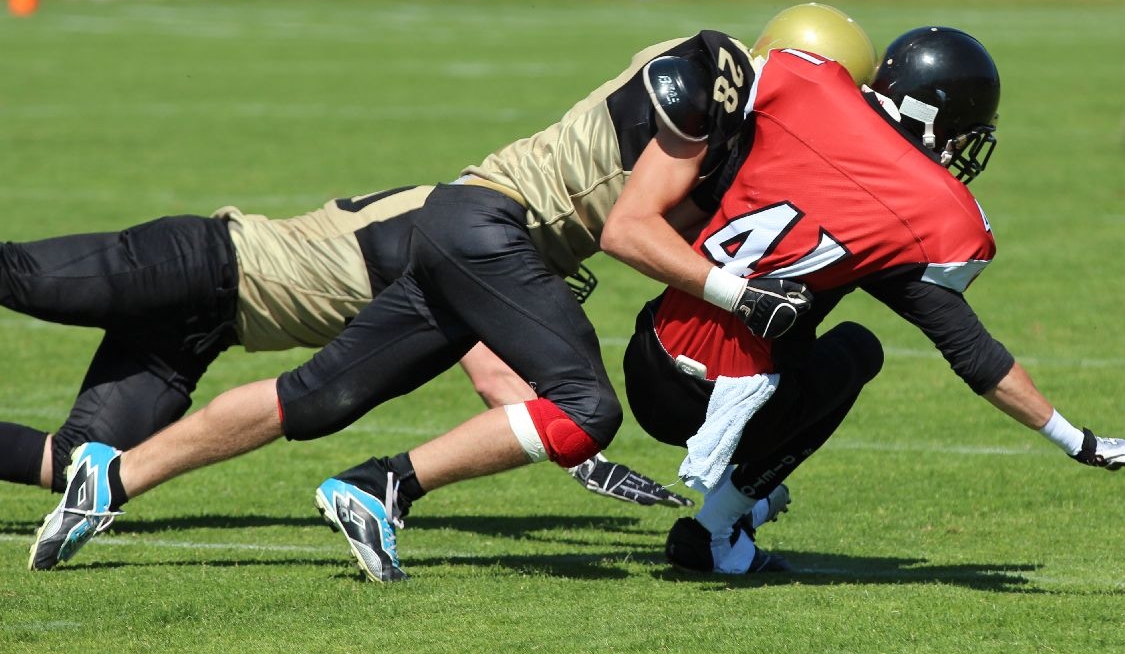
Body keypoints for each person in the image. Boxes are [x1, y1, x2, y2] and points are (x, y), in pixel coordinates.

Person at [29, 3, 879, 581]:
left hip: (468, 236)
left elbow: (674, 213)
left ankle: (112, 481)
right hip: (488, 230)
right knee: (586, 403)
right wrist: (739, 294)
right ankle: (379, 487)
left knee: (317, 398)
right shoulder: (708, 81)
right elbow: (629, 229)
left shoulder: (717, 101)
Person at [615, 25, 1125, 576]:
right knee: (857, 349)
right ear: (934, 117)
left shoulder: (806, 81)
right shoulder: (928, 210)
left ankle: (727, 516)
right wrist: (1079, 440)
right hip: (715, 407)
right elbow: (977, 358)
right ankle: (718, 525)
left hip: (647, 353)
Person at [0, 186, 689, 506]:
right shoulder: (464, 239)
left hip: (203, 330)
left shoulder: (470, 232)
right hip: (199, 262)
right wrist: (584, 457)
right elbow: (495, 378)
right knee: (19, 276)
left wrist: (576, 454)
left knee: (74, 469)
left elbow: (500, 376)